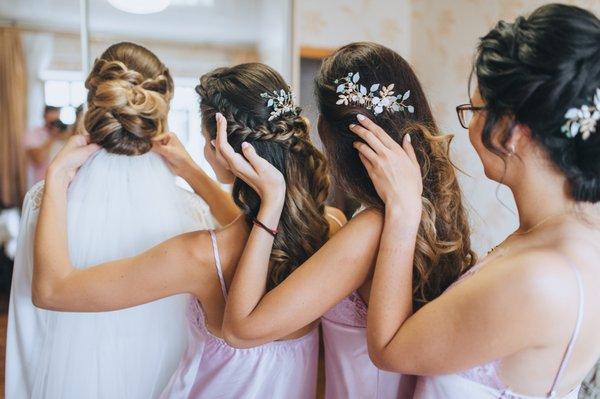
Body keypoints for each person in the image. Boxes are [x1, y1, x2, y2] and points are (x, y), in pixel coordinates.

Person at [32, 62, 344, 398]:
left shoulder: (198, 255)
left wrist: (58, 176)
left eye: (207, 141)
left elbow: (52, 290)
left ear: (221, 149)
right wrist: (191, 170)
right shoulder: (331, 229)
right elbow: (254, 230)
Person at [362, 4, 600, 398]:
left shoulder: (542, 278)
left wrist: (404, 209)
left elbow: (388, 350)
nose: (469, 124)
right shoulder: (564, 232)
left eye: (474, 109)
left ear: (509, 132)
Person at [218, 42, 474, 399]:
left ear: (330, 136)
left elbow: (240, 329)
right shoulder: (438, 207)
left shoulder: (370, 230)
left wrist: (272, 202)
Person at [7, 42, 219, 399]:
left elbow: (28, 327)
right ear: (158, 120)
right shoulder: (194, 212)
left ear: (94, 107)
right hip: (162, 382)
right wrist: (193, 171)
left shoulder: (44, 201)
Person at [24, 105, 63, 186]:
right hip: (40, 183)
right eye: (52, 122)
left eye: (56, 120)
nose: (54, 124)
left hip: (59, 182)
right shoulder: (33, 134)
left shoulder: (63, 135)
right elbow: (37, 159)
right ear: (44, 117)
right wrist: (52, 137)